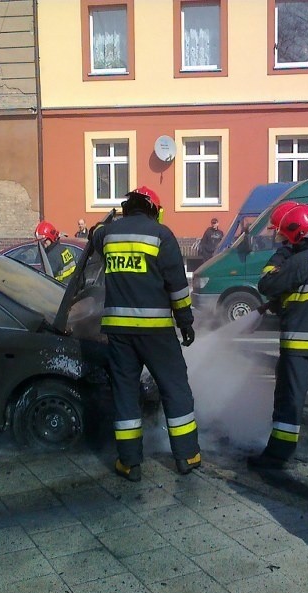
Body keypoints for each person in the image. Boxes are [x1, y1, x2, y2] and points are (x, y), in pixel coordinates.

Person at [91, 185, 200, 481]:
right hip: (156, 332)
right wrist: (185, 321)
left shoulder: (109, 234)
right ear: (153, 209)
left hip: (119, 333)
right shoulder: (161, 235)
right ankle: (186, 456)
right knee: (174, 389)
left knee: (125, 394)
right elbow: (177, 285)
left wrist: (106, 222)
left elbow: (93, 233)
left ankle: (129, 463)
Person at [248, 204, 308, 469]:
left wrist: (280, 267)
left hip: (299, 346)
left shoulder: (300, 262)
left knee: (289, 401)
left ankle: (277, 455)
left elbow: (267, 285)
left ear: (297, 234)